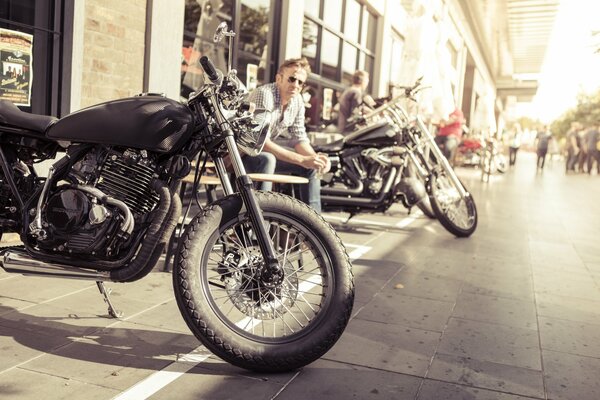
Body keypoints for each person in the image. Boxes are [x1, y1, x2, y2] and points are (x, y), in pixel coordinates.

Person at [243, 57, 330, 212]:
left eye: (300, 82)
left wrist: (315, 159)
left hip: (260, 150)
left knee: (311, 168)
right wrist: (301, 159)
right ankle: (259, 223)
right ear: (279, 78)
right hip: (240, 153)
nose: (295, 85)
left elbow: (299, 138)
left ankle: (315, 227)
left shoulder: (297, 101)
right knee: (268, 159)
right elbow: (260, 141)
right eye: (292, 79)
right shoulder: (265, 94)